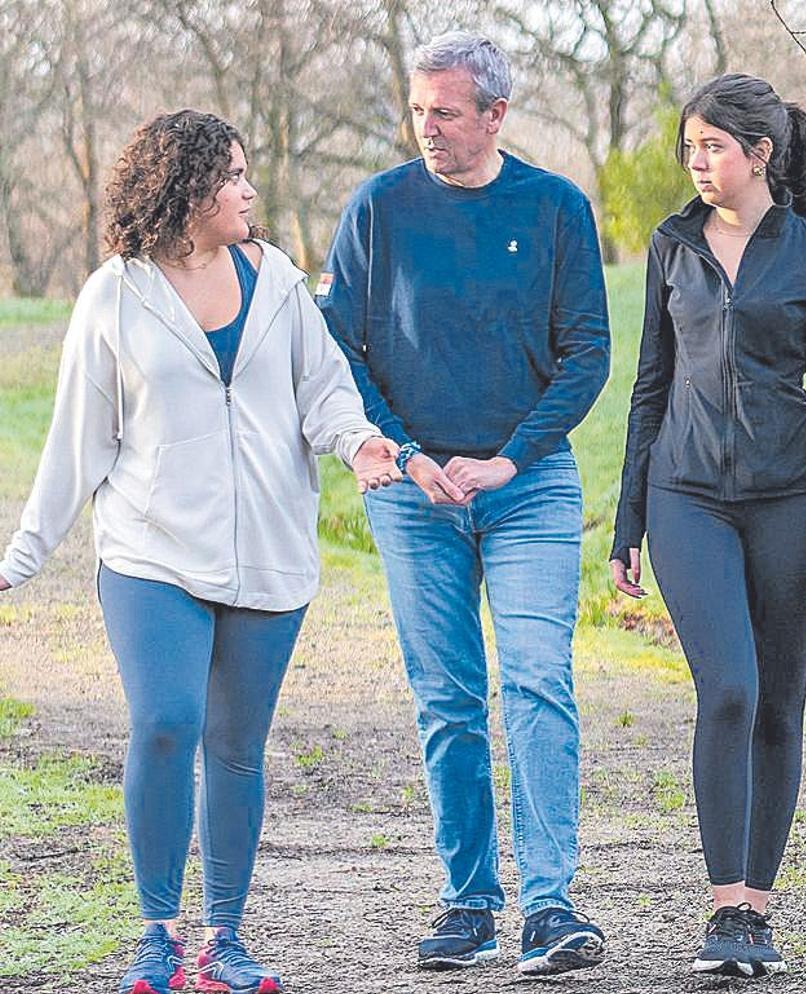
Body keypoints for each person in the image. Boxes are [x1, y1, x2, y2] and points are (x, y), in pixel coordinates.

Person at [0, 110, 400, 994]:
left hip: (269, 552)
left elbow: (325, 393)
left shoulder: (279, 281)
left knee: (236, 747)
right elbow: (76, 443)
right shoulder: (117, 294)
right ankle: (157, 934)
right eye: (232, 178)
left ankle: (223, 939)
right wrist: (19, 558)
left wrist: (362, 444)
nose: (249, 190)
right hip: (151, 552)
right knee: (167, 722)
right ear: (187, 192)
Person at [317, 32, 610, 976]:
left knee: (535, 680)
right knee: (446, 697)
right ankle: (469, 901)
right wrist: (404, 455)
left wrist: (510, 458)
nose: (429, 128)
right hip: (413, 495)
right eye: (419, 111)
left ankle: (551, 906)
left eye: (446, 111)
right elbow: (341, 352)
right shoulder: (380, 209)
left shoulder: (557, 208)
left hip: (528, 487)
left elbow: (587, 353)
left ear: (496, 114)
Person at [610, 73, 806, 978]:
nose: (697, 163)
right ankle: (723, 904)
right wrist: (628, 517)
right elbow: (649, 383)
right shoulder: (672, 244)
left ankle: (756, 908)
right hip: (687, 496)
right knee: (729, 690)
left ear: (761, 153)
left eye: (713, 146)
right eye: (690, 148)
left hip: (790, 499)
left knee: (780, 704)